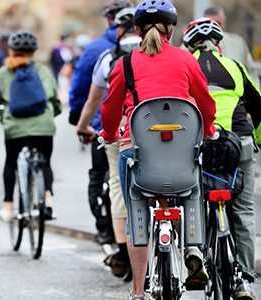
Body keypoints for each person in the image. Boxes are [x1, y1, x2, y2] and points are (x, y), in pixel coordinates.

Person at [98, 1, 218, 299]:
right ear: (172, 29)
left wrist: (109, 134)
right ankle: (193, 248)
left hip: (138, 158)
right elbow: (204, 105)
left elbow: (110, 111)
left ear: (137, 30)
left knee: (136, 216)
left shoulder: (124, 65)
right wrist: (210, 130)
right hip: (179, 160)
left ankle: (138, 290)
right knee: (192, 190)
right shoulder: (187, 61)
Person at [183, 17, 261, 299]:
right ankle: (245, 280)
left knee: (194, 198)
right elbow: (258, 105)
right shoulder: (236, 66)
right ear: (218, 43)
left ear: (189, 44)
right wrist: (258, 140)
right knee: (243, 210)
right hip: (239, 142)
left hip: (201, 143)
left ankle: (197, 256)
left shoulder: (185, 64)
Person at [76, 6, 140, 280]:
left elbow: (95, 100)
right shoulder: (161, 54)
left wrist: (83, 126)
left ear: (117, 31)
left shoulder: (108, 57)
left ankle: (124, 253)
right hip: (165, 128)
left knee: (118, 183)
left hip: (123, 130)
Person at [69, 0, 133, 246]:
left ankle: (108, 235)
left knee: (103, 178)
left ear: (113, 24)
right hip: (155, 127)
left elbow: (82, 87)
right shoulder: (156, 48)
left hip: (104, 126)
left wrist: (78, 120)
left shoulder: (98, 49)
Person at [0, 30, 62, 222]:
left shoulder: (4, 73)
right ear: (34, 51)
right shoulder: (43, 71)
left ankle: (9, 207)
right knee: (45, 162)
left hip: (15, 130)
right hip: (43, 128)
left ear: (10, 50)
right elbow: (56, 101)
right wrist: (53, 113)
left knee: (11, 162)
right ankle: (48, 198)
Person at [204, 5, 260, 88]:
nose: (214, 27)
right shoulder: (189, 46)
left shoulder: (238, 44)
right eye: (210, 23)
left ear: (224, 23)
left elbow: (251, 74)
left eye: (218, 23)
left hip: (237, 98)